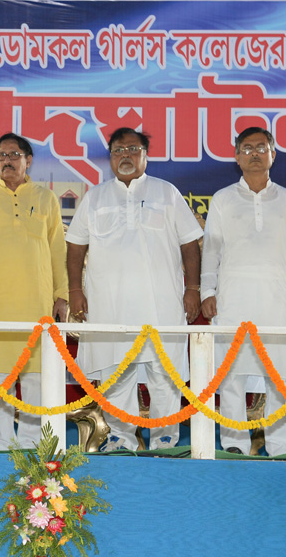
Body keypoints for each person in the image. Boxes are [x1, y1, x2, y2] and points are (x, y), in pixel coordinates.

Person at [66, 128, 202, 452]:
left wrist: (193, 288)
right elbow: (75, 247)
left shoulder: (166, 192)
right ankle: (120, 443)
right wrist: (75, 291)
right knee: (116, 374)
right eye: (117, 150)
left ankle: (165, 445)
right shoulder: (94, 197)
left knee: (164, 376)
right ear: (110, 157)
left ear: (145, 154)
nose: (125, 155)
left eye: (132, 149)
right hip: (110, 306)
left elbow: (190, 244)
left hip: (162, 304)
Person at [201, 126, 286, 456]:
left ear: (273, 155)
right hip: (232, 298)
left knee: (278, 376)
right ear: (236, 157)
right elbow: (212, 249)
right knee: (231, 375)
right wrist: (208, 290)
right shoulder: (223, 199)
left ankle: (281, 445)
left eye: (261, 147)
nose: (254, 153)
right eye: (247, 148)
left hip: (278, 300)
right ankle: (233, 444)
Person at [0, 133, 68, 450]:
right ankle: (0, 442)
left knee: (35, 375)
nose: (7, 161)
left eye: (14, 154)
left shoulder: (46, 198)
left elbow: (57, 248)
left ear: (28, 160)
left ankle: (34, 445)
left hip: (35, 300)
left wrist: (61, 293)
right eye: (1, 156)